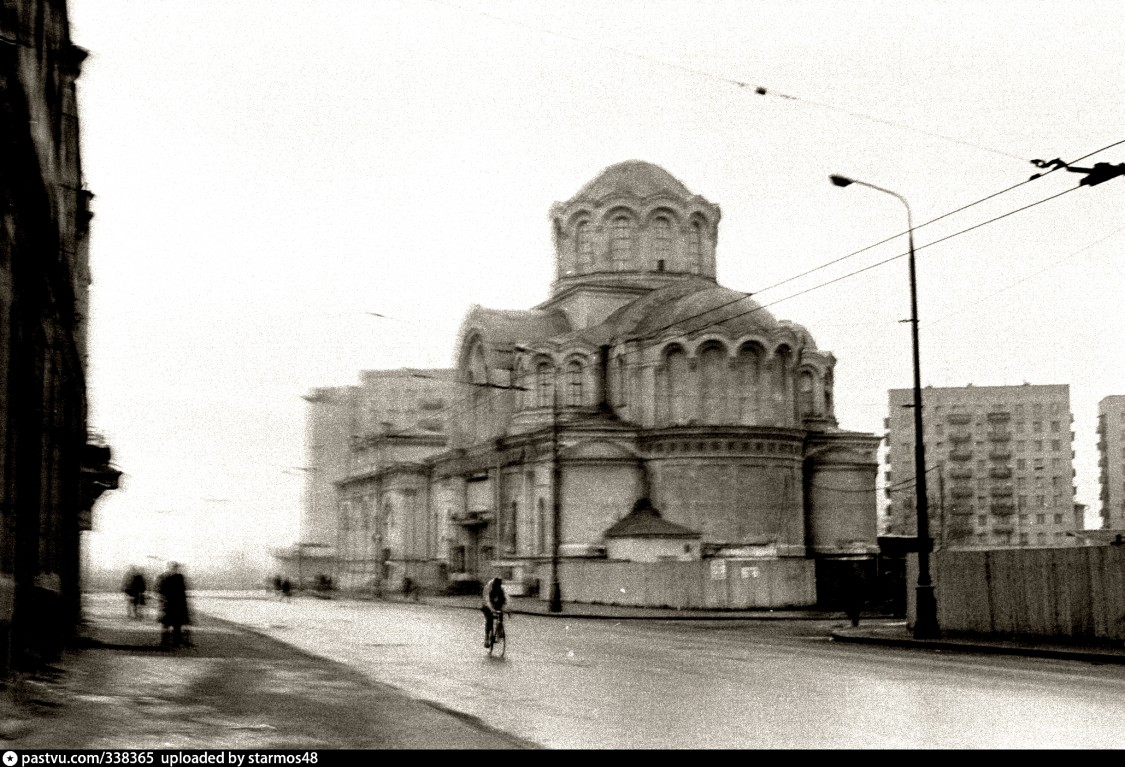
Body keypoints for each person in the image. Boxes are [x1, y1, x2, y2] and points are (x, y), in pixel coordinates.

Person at [157, 562, 192, 648]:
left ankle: (173, 641)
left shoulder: (173, 577)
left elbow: (182, 592)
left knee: (174, 624)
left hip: (175, 604)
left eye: (175, 568)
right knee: (170, 624)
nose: (174, 569)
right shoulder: (171, 577)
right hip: (171, 604)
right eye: (174, 567)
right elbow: (160, 591)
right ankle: (168, 641)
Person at [480, 576, 507, 648]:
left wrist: (507, 609)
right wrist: (491, 609)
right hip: (486, 605)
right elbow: (487, 600)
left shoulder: (501, 588)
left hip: (495, 604)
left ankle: (499, 630)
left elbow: (505, 599)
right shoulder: (488, 588)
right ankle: (487, 638)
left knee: (501, 613)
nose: (498, 587)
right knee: (489, 620)